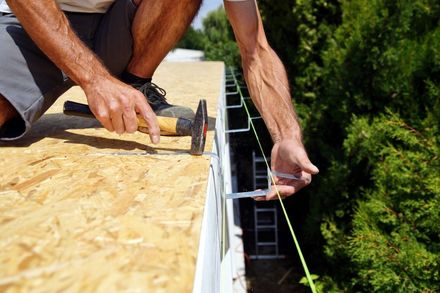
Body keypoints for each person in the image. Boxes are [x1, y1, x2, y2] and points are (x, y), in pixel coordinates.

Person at [0, 0, 318, 200]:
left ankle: (135, 83)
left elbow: (256, 49)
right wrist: (94, 79)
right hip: (33, 24)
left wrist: (287, 135)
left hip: (114, 27)